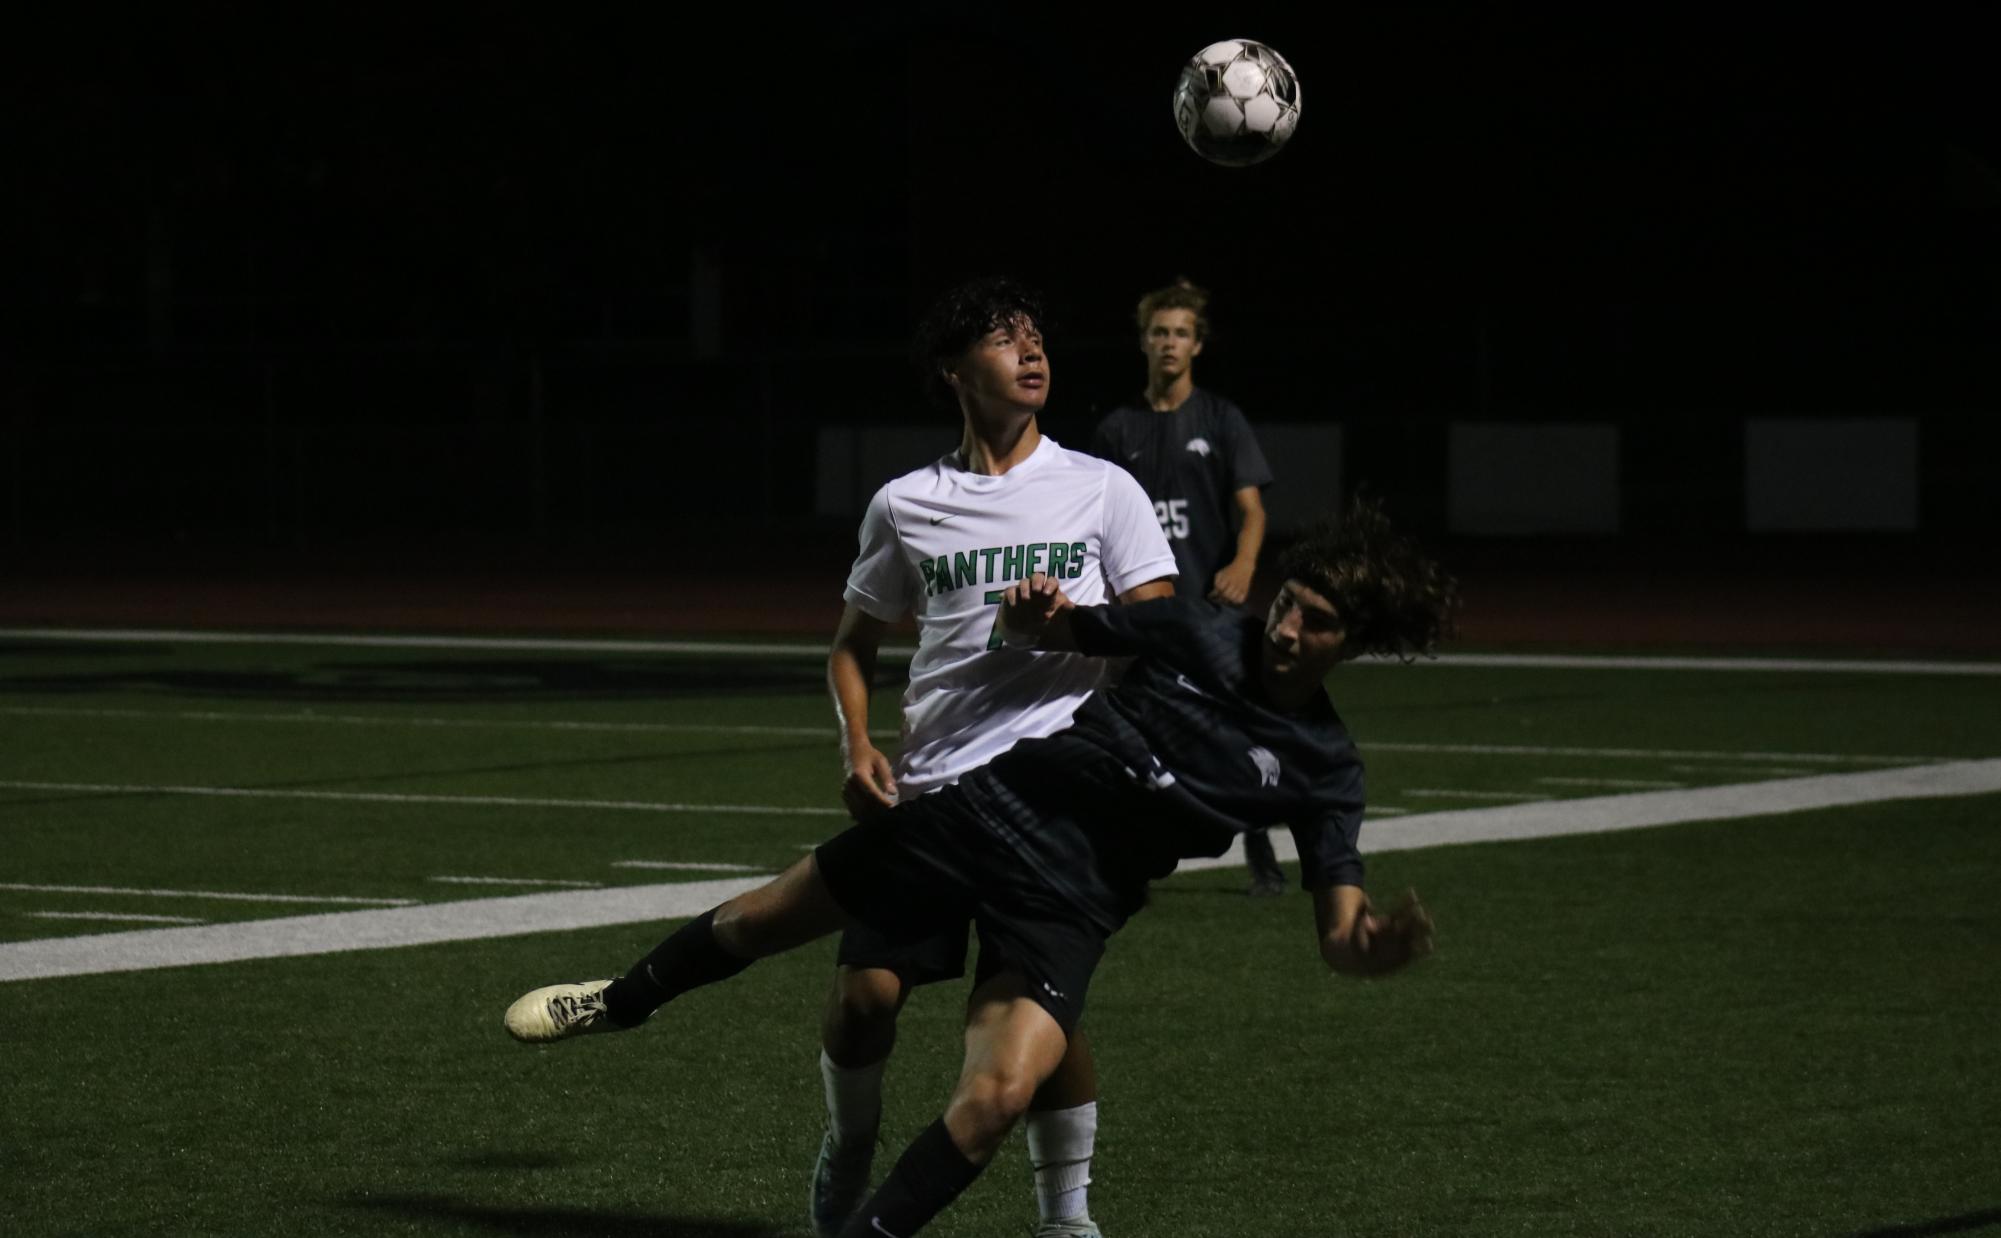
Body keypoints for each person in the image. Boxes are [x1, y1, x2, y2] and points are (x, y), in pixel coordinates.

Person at [504, 496, 1453, 1238]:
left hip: (1073, 896)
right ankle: (619, 1002)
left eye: (1317, 622)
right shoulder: (1202, 631)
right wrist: (1043, 612)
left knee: (995, 1099)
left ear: (1356, 641)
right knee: (761, 922)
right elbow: (1065, 633)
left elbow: (1337, 931)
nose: (1287, 628)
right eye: (1288, 602)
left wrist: (1364, 948)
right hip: (986, 812)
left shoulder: (1327, 769)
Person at [815, 277, 1177, 1238]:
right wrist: (856, 744)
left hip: (1057, 804)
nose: (1030, 352)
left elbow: (1165, 629)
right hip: (934, 797)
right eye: (1003, 339)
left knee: (1036, 1011)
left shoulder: (1101, 487)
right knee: (860, 1002)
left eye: (1036, 337)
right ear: (952, 371)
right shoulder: (907, 503)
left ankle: (1067, 1216)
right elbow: (853, 644)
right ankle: (849, 1141)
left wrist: (1069, 627)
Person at [1091, 278, 1289, 897]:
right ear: (1143, 343)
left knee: (1232, 731)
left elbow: (1252, 511)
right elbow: (1092, 524)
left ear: (1197, 345)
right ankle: (1131, 860)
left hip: (1206, 605)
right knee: (1131, 735)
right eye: (1159, 333)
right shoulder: (1115, 429)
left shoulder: (1221, 419)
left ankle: (1259, 845)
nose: (1169, 343)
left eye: (1180, 333)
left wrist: (1246, 565)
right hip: (1142, 612)